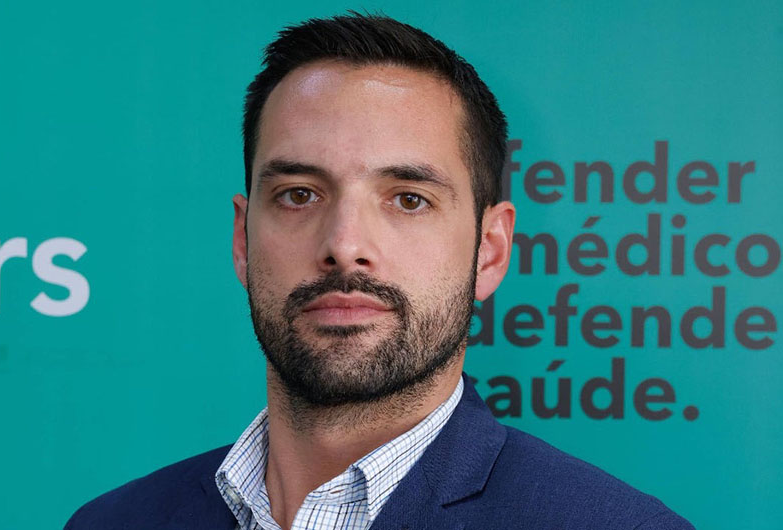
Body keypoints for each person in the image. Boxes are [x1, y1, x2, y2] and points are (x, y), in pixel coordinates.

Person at [65, 12, 694, 530]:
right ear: (243, 238)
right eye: (299, 194)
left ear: (490, 251)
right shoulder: (111, 523)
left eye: (408, 199)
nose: (344, 246)